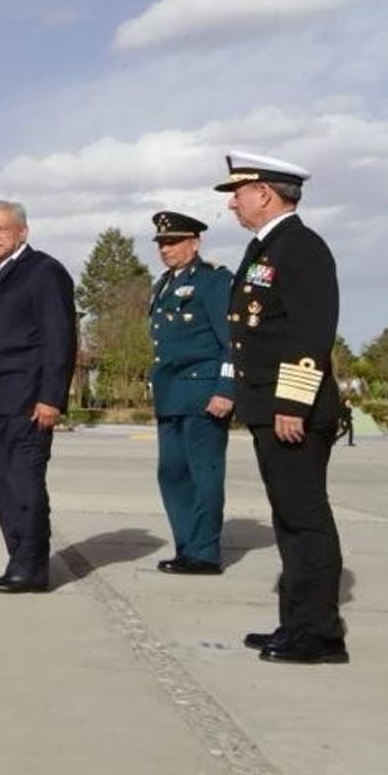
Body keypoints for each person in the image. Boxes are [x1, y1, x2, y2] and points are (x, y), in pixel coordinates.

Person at [215, 152, 348, 664]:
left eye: (238, 192)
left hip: (292, 408)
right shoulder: (267, 248)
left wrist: (292, 400)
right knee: (288, 519)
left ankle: (320, 633)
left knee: (305, 517)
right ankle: (296, 622)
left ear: (265, 193)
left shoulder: (301, 248)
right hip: (268, 406)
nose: (232, 202)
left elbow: (311, 332)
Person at [0, 200, 76, 594]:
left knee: (24, 484)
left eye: (1, 228)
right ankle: (18, 560)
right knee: (2, 484)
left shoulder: (43, 271)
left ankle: (30, 567)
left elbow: (59, 339)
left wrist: (51, 398)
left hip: (28, 402)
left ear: (23, 232)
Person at [146, 211, 234, 575]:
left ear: (194, 243)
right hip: (170, 394)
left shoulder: (213, 282)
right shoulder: (163, 284)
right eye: (162, 243)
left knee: (204, 474)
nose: (166, 249)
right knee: (172, 472)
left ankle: (204, 552)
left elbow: (233, 342)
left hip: (203, 393)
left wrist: (226, 389)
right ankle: (186, 546)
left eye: (174, 242)